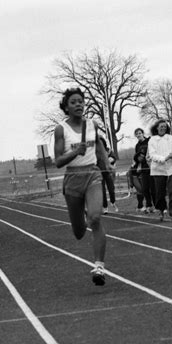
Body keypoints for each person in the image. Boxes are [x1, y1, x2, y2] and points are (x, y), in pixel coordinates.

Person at [54, 88, 109, 285]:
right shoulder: (61, 129)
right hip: (73, 178)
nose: (78, 105)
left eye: (81, 101)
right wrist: (75, 152)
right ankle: (83, 219)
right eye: (73, 102)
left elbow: (99, 145)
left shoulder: (92, 124)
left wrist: (107, 163)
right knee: (78, 232)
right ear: (66, 107)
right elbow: (58, 161)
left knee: (95, 217)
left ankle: (99, 267)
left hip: (92, 174)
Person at [147, 119, 172, 221]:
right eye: (161, 126)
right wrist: (164, 158)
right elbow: (152, 155)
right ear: (156, 128)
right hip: (158, 170)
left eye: (165, 127)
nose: (163, 128)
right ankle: (161, 210)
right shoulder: (152, 140)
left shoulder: (170, 138)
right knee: (160, 193)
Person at [130, 128, 155, 212]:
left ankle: (157, 206)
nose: (138, 135)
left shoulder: (149, 141)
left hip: (151, 167)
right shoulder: (137, 146)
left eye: (140, 133)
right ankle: (149, 205)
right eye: (136, 134)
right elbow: (137, 158)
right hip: (143, 168)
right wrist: (139, 166)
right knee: (145, 188)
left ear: (143, 133)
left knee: (153, 188)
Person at [99, 137, 118, 214]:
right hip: (99, 174)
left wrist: (112, 159)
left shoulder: (108, 150)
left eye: (101, 142)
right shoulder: (95, 151)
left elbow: (114, 157)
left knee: (111, 189)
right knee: (102, 191)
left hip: (108, 173)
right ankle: (105, 207)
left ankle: (113, 202)